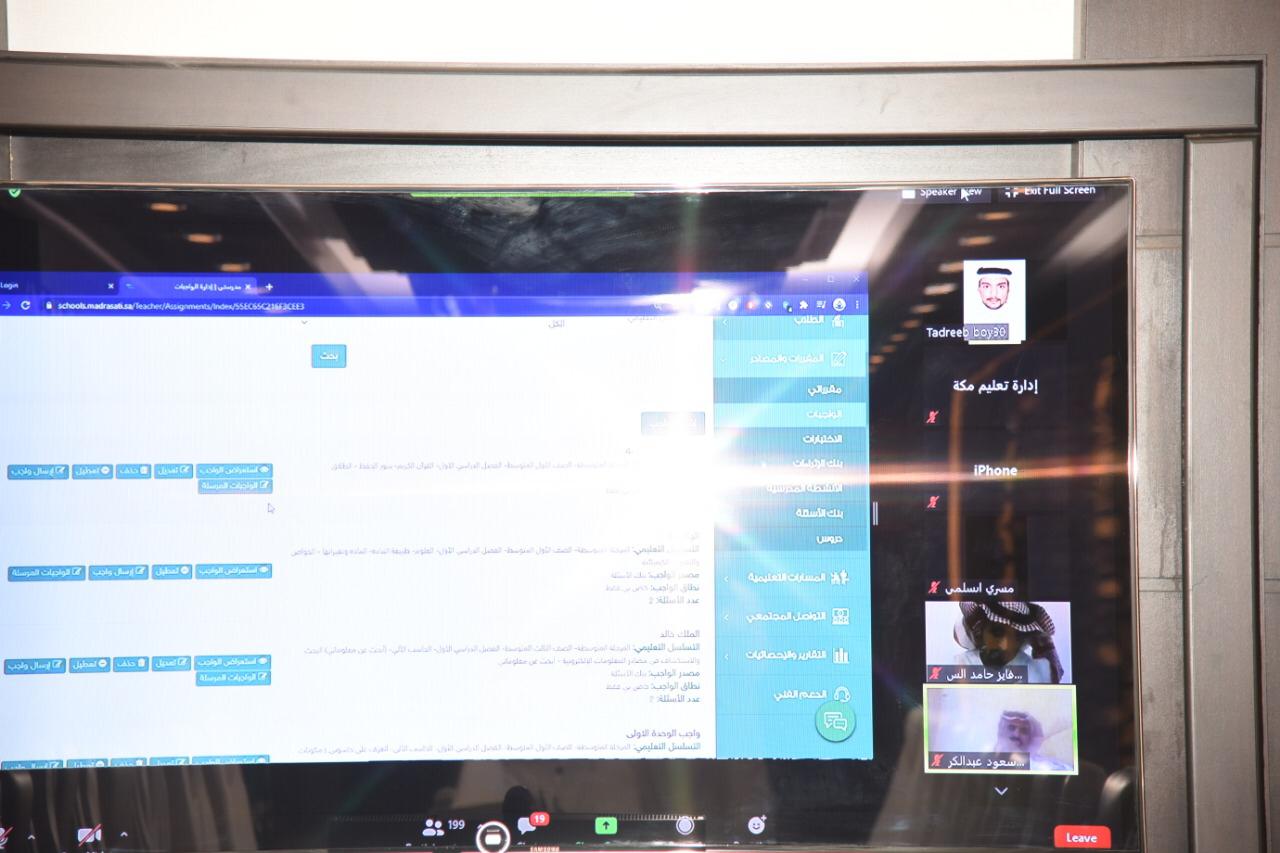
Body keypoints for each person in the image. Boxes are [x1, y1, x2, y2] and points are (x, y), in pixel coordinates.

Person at [953, 598, 1064, 683]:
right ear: (981, 631)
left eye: (1014, 637)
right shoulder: (962, 663)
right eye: (997, 632)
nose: (1005, 645)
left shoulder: (1034, 672)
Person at [992, 710, 1072, 772]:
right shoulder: (987, 760)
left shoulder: (1047, 766)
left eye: (1024, 731)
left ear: (1030, 738)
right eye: (1011, 728)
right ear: (1001, 731)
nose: (1017, 734)